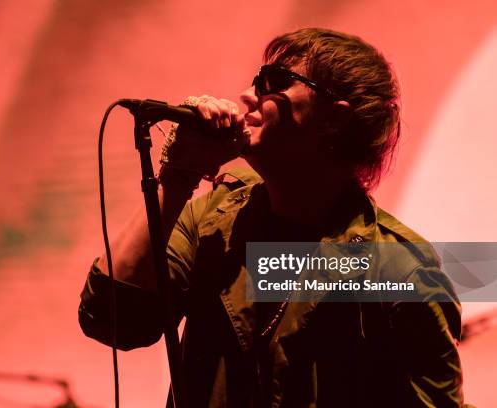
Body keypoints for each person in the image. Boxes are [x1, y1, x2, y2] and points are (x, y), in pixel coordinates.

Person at [78, 28, 466, 407]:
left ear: (334, 119)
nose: (247, 96)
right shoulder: (213, 218)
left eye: (273, 82)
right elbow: (111, 320)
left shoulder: (399, 271)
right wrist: (180, 175)